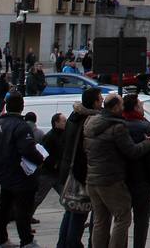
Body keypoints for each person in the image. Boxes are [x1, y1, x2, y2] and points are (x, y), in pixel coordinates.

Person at [84, 94, 150, 248]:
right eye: (121, 104)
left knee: (100, 220)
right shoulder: (117, 127)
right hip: (110, 180)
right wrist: (149, 142)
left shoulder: (91, 122)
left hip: (92, 178)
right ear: (115, 107)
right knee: (123, 217)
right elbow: (132, 152)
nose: (123, 108)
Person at [0, 93, 44, 248]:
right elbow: (27, 149)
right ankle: (26, 240)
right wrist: (40, 158)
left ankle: (0, 238)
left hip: (3, 171)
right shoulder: (21, 126)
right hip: (20, 172)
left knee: (4, 206)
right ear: (22, 106)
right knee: (23, 209)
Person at [55, 88, 102, 248]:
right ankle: (71, 244)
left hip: (69, 169)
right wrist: (85, 178)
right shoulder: (88, 120)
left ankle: (63, 244)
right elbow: (83, 152)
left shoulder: (74, 117)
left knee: (71, 210)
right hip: (80, 174)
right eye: (100, 98)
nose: (102, 101)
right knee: (79, 213)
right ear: (94, 102)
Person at [120, 94, 150, 248]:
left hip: (122, 179)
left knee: (122, 219)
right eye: (141, 105)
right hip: (142, 180)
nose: (142, 108)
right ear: (135, 107)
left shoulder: (119, 125)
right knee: (141, 219)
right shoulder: (145, 127)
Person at [36, 112, 67, 214]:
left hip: (58, 173)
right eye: (63, 121)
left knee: (66, 197)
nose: (65, 123)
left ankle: (71, 216)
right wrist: (54, 164)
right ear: (56, 123)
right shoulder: (49, 136)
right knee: (38, 197)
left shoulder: (64, 135)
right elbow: (44, 154)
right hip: (48, 173)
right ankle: (25, 217)